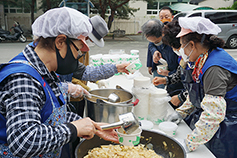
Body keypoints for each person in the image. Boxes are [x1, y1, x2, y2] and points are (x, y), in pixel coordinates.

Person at [0, 7, 128, 158]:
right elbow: (24, 140)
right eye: (79, 49)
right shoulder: (24, 79)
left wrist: (93, 125)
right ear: (60, 41)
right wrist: (73, 129)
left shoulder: (47, 70)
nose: (79, 56)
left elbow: (52, 116)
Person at [167, 16, 237, 158]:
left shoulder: (214, 68)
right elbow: (198, 92)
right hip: (214, 121)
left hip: (228, 123)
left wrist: (190, 143)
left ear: (192, 45)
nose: (182, 52)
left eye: (183, 46)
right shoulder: (202, 59)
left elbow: (213, 114)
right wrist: (182, 112)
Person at [153, 20, 189, 109]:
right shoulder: (184, 57)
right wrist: (165, 80)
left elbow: (203, 89)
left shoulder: (207, 62)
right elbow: (179, 74)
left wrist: (181, 97)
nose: (173, 49)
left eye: (173, 46)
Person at [142, 19, 184, 96]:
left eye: (157, 41)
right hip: (165, 69)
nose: (156, 44)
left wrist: (170, 74)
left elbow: (184, 72)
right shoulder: (156, 34)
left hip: (177, 77)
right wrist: (154, 52)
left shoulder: (176, 39)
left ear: (163, 34)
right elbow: (151, 45)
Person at [145, 6, 174, 89]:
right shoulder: (156, 28)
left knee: (171, 86)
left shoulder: (174, 32)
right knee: (158, 86)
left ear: (172, 17)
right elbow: (151, 44)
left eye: (166, 17)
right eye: (161, 17)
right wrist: (150, 64)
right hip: (159, 64)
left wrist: (171, 73)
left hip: (172, 65)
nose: (164, 19)